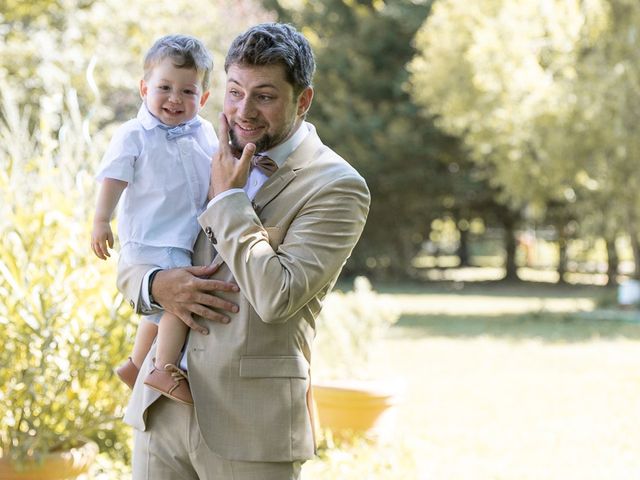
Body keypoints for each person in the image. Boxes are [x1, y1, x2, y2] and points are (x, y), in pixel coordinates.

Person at [117, 23, 370, 479]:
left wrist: (228, 202)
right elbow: (136, 249)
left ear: (303, 100)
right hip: (161, 410)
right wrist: (157, 285)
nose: (243, 111)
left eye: (265, 96)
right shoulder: (194, 148)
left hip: (251, 425)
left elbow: (277, 296)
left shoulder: (337, 187)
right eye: (235, 91)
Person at [91, 34, 218, 405]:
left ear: (204, 99)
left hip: (179, 236)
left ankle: (135, 364)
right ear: (144, 88)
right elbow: (113, 178)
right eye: (164, 88)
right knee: (180, 299)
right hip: (150, 237)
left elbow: (216, 170)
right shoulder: (134, 135)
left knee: (161, 309)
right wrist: (101, 221)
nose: (175, 99)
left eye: (188, 91)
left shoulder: (205, 133)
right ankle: (164, 367)